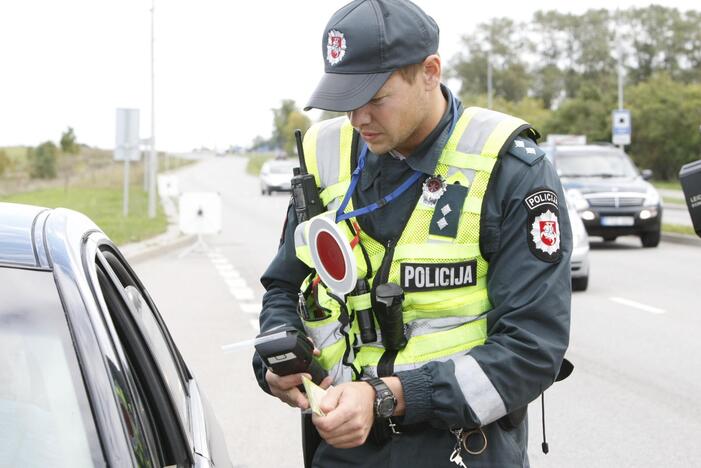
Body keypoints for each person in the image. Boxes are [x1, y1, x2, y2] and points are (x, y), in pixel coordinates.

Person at [252, 0, 572, 466]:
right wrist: (278, 359)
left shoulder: (509, 167)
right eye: (345, 101)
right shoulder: (325, 151)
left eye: (375, 99)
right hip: (344, 450)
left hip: (462, 448)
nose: (358, 119)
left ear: (429, 72)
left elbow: (533, 349)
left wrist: (388, 397)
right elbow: (284, 284)